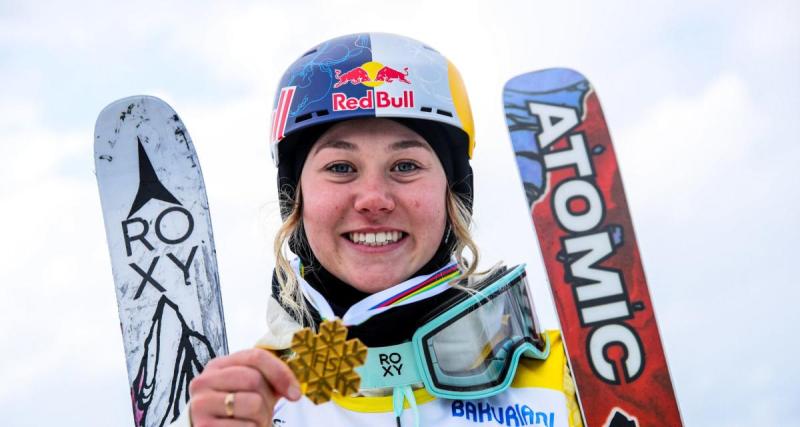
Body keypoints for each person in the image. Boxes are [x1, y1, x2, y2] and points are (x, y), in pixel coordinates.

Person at [172, 33, 582, 427]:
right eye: (340, 168)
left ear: (452, 194)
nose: (373, 198)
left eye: (405, 166)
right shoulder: (251, 404)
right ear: (295, 200)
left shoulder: (569, 385)